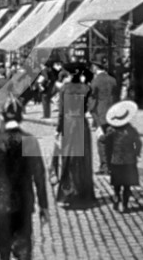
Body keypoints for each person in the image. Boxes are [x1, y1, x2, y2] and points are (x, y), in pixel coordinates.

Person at [0, 96, 49, 260]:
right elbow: (39, 174)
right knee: (24, 246)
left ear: (2, 117)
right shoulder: (29, 140)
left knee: (4, 248)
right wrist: (43, 205)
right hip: (24, 202)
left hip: (1, 202)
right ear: (21, 117)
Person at [55, 69, 96, 208]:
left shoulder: (64, 89)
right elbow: (92, 106)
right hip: (81, 123)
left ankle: (67, 194)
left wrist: (58, 129)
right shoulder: (86, 88)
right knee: (82, 159)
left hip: (68, 123)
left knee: (68, 158)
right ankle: (83, 194)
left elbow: (61, 111)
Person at [99, 101, 142, 214]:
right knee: (127, 185)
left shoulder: (112, 131)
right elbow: (138, 142)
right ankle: (125, 205)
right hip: (129, 161)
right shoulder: (131, 130)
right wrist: (136, 153)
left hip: (116, 161)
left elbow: (102, 140)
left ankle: (117, 198)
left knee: (117, 184)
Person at [89, 58, 120, 175]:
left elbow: (92, 100)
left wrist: (91, 112)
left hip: (100, 114)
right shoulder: (113, 80)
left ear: (96, 67)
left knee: (101, 140)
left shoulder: (95, 81)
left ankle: (104, 167)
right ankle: (112, 165)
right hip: (113, 113)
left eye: (92, 66)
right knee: (111, 139)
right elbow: (116, 97)